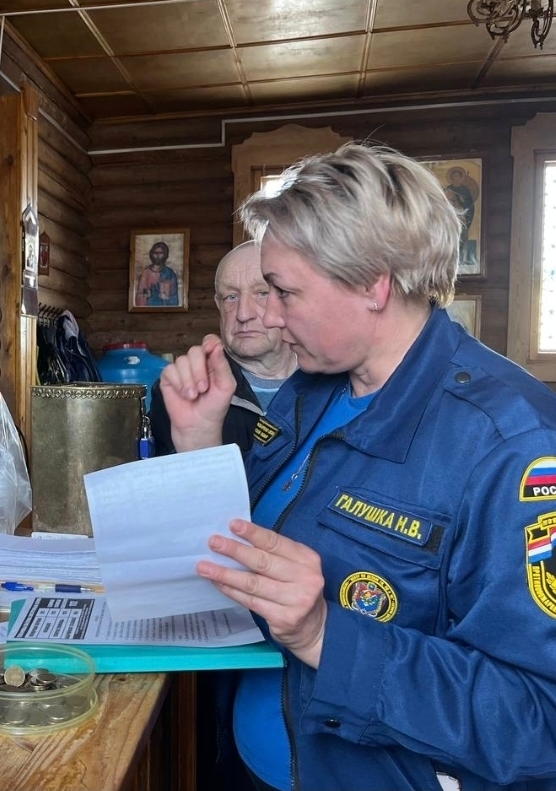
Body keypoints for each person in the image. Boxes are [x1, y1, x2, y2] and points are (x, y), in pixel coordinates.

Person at [160, 142, 556, 791]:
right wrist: (201, 444)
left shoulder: (510, 443)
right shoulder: (312, 389)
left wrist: (324, 635)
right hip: (256, 756)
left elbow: (538, 724)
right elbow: (247, 550)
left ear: (373, 284)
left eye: (283, 292)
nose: (267, 317)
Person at [149, 241, 297, 456]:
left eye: (262, 293)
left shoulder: (333, 385)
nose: (243, 314)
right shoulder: (184, 390)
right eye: (231, 297)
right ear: (219, 306)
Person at [135, 241, 180, 307]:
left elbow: (175, 300)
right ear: (151, 254)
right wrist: (145, 297)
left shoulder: (170, 274)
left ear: (165, 255)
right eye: (155, 253)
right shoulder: (145, 273)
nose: (157, 256)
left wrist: (167, 298)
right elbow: (139, 297)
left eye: (160, 253)